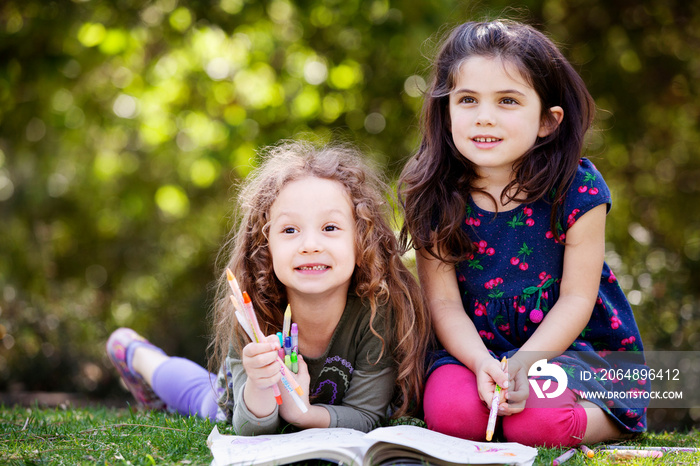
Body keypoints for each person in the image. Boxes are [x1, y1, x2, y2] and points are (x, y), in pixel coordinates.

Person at [398, 19, 648, 447]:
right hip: (472, 350)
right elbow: (443, 302)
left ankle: (612, 419)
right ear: (446, 110)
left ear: (547, 121)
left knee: (538, 425)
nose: (484, 118)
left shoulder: (578, 190)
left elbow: (576, 300)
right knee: (451, 415)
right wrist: (481, 363)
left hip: (568, 347)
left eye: (508, 101)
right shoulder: (435, 194)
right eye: (468, 100)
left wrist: (526, 363)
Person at [107, 140, 432, 435]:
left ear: (362, 240)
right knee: (200, 401)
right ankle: (136, 355)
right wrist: (261, 389)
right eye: (290, 230)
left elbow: (365, 416)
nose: (309, 244)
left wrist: (302, 413)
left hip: (316, 410)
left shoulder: (378, 312)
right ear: (266, 247)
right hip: (238, 399)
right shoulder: (255, 310)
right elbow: (248, 426)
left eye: (330, 227)